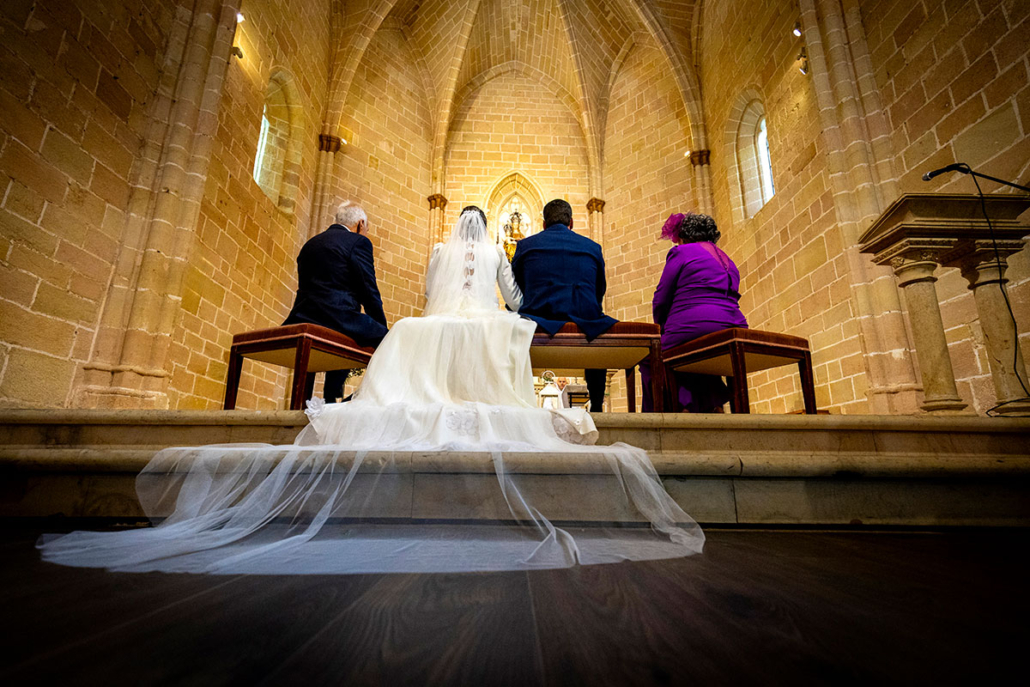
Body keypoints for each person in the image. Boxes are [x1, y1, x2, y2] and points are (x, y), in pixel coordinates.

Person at [38, 207, 703, 575]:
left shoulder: (438, 251)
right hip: (491, 323)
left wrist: (421, 316)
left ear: (455, 228)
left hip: (432, 323)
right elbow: (511, 295)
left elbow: (430, 293)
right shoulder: (505, 253)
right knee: (498, 337)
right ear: (488, 229)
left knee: (413, 337)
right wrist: (510, 312)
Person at [511, 199, 617, 412]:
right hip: (584, 321)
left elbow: (517, 287)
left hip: (538, 320)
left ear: (543, 224)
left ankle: (515, 404)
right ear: (571, 222)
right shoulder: (592, 247)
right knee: (597, 324)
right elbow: (599, 290)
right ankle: (597, 405)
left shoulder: (525, 246)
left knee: (508, 324)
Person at [640, 212, 749, 412]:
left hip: (695, 322)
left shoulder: (681, 252)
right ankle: (712, 406)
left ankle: (669, 414)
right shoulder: (728, 259)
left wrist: (661, 327)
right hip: (735, 323)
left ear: (683, 237)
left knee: (651, 357)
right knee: (695, 355)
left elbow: (661, 298)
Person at [283, 201, 388, 402]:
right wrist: (382, 329)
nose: (366, 233)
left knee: (351, 330)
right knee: (391, 342)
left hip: (302, 316)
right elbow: (369, 291)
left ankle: (325, 399)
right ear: (360, 224)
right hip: (338, 317)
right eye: (367, 228)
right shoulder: (359, 242)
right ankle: (350, 401)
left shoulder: (311, 243)